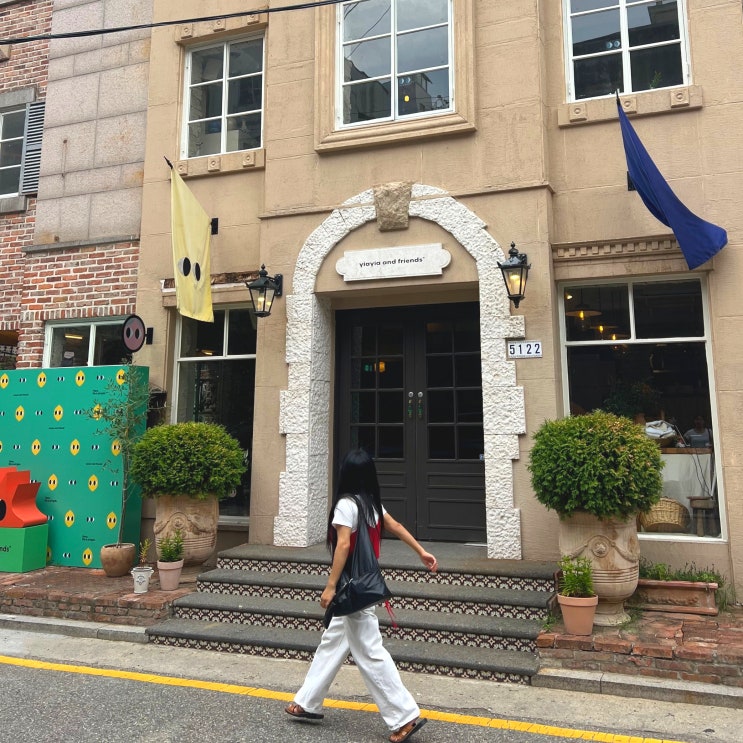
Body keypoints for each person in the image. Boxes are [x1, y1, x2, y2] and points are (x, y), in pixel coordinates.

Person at [285, 448, 437, 743]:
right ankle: (307, 702)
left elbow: (343, 546)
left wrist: (330, 586)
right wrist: (421, 552)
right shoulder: (370, 503)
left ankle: (404, 716)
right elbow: (394, 526)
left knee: (369, 651)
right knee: (332, 642)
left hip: (351, 588)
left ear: (345, 474)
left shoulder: (346, 504)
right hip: (364, 583)